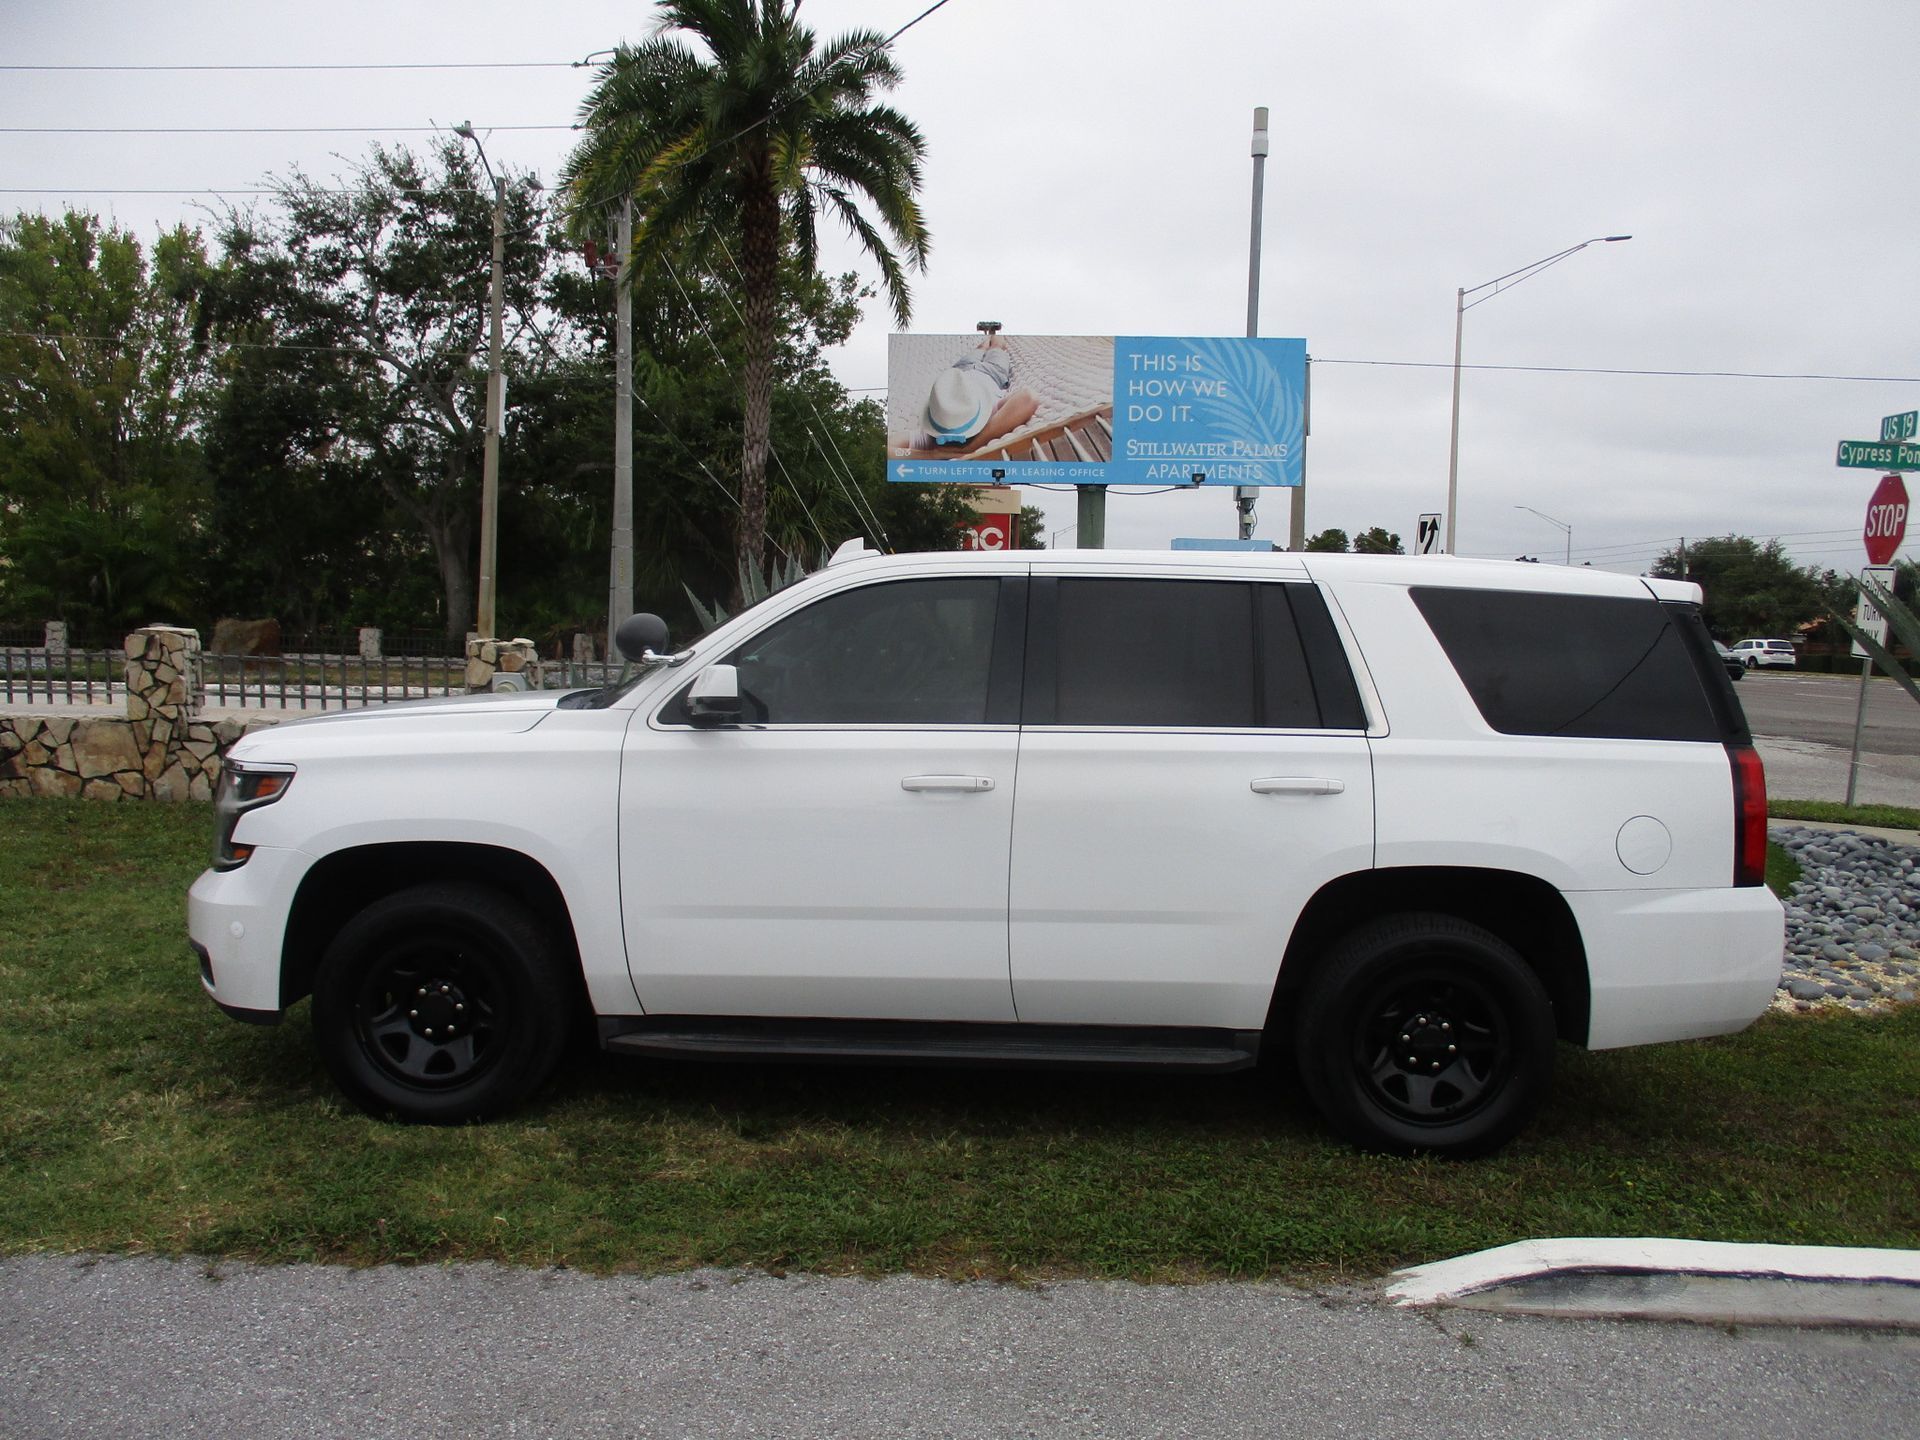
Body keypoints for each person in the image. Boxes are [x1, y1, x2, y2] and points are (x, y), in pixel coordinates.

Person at [894, 333, 1038, 457]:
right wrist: (969, 447)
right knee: (997, 346)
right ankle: (994, 333)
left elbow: (890, 448)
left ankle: (991, 334)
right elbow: (1028, 398)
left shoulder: (932, 436)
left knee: (981, 347)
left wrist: (941, 453)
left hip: (960, 373)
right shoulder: (989, 415)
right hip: (992, 372)